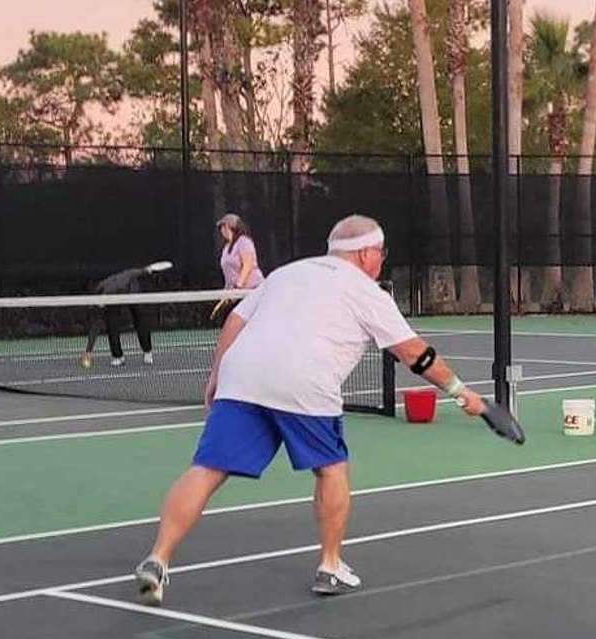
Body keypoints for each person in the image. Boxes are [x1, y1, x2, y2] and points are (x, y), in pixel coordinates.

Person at [133, 214, 487, 606]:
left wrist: (217, 372)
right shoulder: (369, 293)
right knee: (331, 468)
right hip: (304, 381)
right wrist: (460, 391)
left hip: (242, 373)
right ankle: (330, 565)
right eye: (381, 253)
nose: (381, 260)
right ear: (367, 253)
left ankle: (158, 558)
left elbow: (235, 320)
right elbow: (412, 354)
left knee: (206, 469)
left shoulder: (285, 274)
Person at [80, 263, 162, 368]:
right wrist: (89, 350)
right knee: (111, 325)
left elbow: (132, 272)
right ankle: (118, 356)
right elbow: (96, 325)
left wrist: (146, 270)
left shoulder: (121, 281)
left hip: (132, 292)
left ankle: (147, 352)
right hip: (114, 300)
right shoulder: (99, 290)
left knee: (139, 319)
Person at [213, 212, 264, 320]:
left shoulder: (244, 241)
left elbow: (248, 265)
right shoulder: (226, 248)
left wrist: (238, 287)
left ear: (229, 227)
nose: (221, 230)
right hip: (236, 294)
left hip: (251, 291)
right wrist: (226, 295)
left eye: (222, 226)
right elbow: (229, 275)